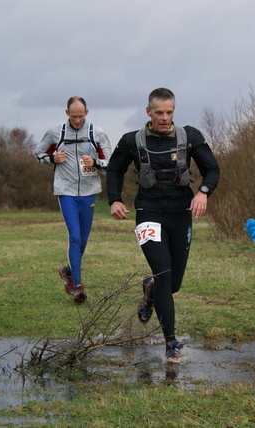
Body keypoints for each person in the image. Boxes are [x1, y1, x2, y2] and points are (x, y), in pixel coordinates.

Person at [106, 88, 220, 363]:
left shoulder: (190, 136)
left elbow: (212, 169)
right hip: (148, 212)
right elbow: (114, 169)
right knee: (164, 273)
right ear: (148, 112)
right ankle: (171, 343)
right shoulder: (131, 141)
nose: (164, 118)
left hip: (181, 214)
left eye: (169, 112)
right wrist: (115, 200)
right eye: (159, 112)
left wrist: (203, 192)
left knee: (172, 284)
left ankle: (150, 289)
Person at [34, 96, 112, 303]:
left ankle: (68, 271)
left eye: (81, 116)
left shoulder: (97, 133)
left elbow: (110, 163)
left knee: (83, 241)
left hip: (89, 192)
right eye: (73, 116)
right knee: (75, 237)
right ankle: (77, 287)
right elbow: (38, 153)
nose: (77, 121)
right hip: (66, 190)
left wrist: (95, 162)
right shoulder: (56, 133)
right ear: (67, 113)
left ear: (87, 113)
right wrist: (52, 159)